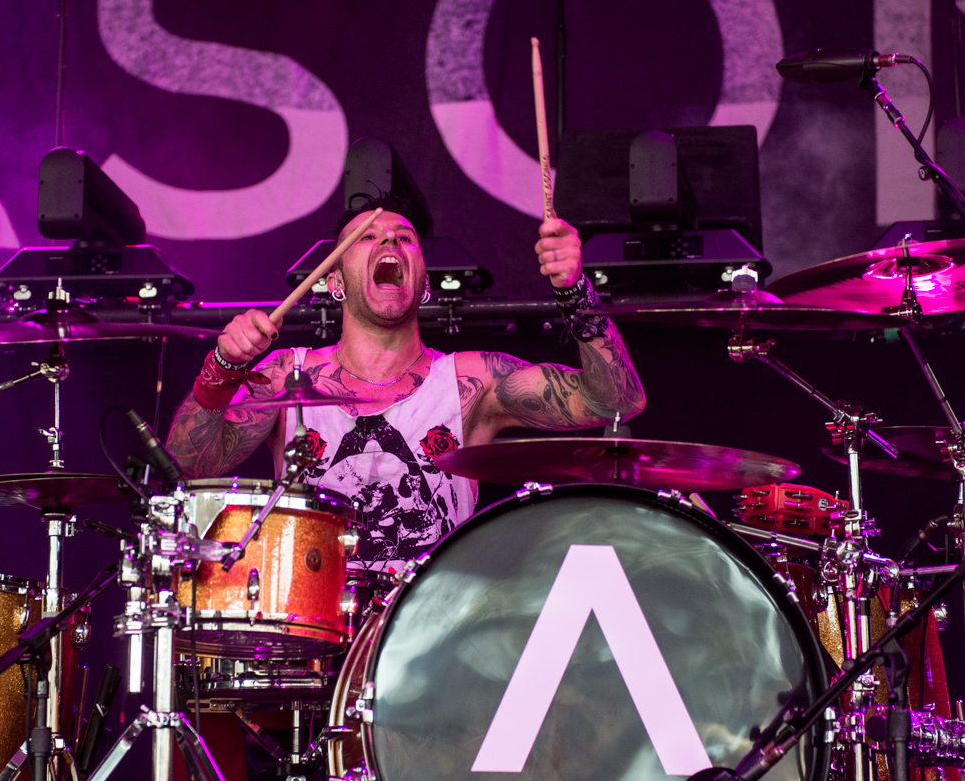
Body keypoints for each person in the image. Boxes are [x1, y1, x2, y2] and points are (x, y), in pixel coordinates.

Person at [165, 201, 646, 569]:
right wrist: (222, 367)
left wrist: (575, 291)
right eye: (367, 237)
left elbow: (616, 402)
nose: (389, 242)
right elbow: (187, 467)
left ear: (424, 282)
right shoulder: (284, 377)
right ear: (335, 282)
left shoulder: (472, 381)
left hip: (436, 631)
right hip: (320, 634)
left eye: (405, 238)